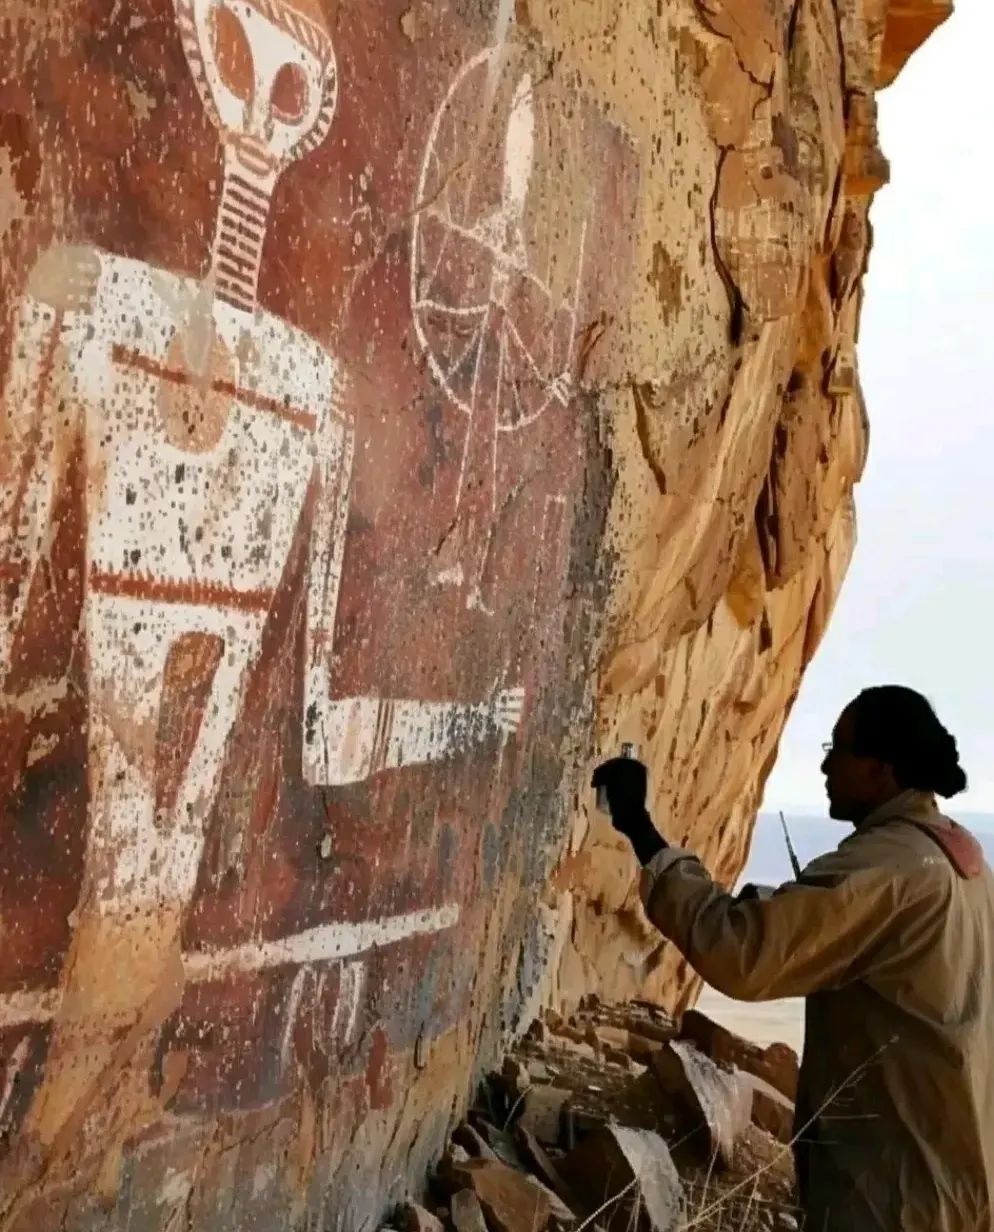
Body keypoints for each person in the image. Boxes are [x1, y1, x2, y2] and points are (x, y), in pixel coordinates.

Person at [592, 685, 994, 1232]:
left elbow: (741, 953)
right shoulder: (957, 858)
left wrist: (640, 829)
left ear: (880, 769)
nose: (825, 765)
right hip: (957, 1175)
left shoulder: (888, 868)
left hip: (896, 1194)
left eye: (838, 750)